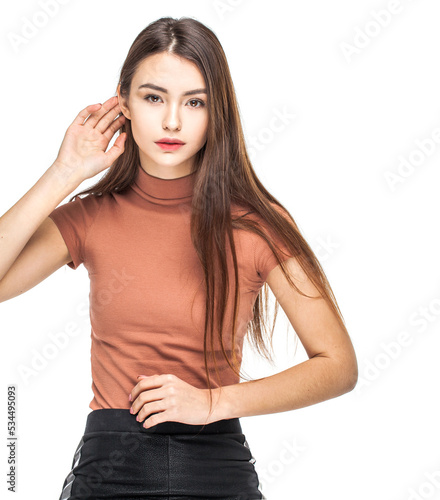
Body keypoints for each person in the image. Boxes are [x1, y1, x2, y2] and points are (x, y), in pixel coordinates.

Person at [0, 16, 358, 500]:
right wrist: (64, 173)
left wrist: (212, 402)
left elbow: (338, 365)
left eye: (195, 102)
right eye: (154, 97)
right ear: (123, 102)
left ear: (217, 112)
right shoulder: (90, 217)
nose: (172, 121)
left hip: (216, 467)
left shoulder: (256, 222)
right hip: (109, 468)